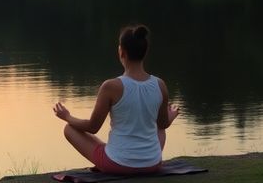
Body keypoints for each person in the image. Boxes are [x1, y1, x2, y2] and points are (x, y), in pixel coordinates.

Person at [52, 25, 180, 174]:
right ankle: (138, 157)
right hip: (152, 164)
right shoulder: (160, 85)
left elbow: (93, 127)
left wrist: (67, 117)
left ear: (121, 52)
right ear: (145, 52)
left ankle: (117, 156)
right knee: (159, 128)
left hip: (117, 165)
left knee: (70, 128)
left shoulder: (111, 86)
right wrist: (171, 115)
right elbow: (163, 124)